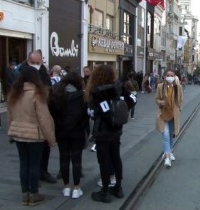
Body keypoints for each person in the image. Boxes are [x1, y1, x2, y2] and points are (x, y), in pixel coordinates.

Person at [7, 67, 56, 206]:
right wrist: (51, 139)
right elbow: (44, 118)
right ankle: (34, 194)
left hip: (18, 133)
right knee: (34, 165)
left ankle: (25, 195)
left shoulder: (14, 93)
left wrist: (10, 132)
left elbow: (10, 116)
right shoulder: (37, 94)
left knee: (24, 164)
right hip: (35, 135)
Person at [15, 50, 57, 184]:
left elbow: (49, 95)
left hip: (39, 120)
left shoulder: (44, 73)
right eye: (32, 63)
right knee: (29, 159)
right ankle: (32, 187)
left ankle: (41, 173)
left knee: (43, 151)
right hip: (26, 121)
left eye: (37, 63)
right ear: (28, 61)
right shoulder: (20, 74)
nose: (35, 65)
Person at [86, 65, 125, 203]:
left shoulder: (98, 92)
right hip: (116, 130)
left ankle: (105, 191)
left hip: (103, 131)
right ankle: (118, 188)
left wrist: (97, 112)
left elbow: (101, 111)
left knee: (103, 161)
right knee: (116, 158)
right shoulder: (117, 87)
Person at [49, 71, 89, 199]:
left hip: (61, 131)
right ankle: (76, 188)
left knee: (64, 158)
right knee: (77, 159)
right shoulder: (82, 97)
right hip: (77, 131)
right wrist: (87, 132)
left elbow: (52, 115)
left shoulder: (56, 96)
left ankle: (66, 187)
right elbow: (86, 117)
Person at [155, 69, 183, 168]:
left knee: (172, 134)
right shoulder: (160, 86)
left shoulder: (178, 87)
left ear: (174, 76)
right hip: (163, 114)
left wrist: (179, 109)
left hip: (173, 115)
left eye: (171, 75)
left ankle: (169, 152)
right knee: (165, 135)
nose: (170, 77)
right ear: (165, 76)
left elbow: (180, 100)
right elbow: (157, 99)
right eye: (168, 75)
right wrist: (163, 102)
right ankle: (167, 157)